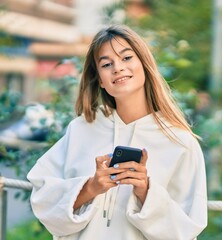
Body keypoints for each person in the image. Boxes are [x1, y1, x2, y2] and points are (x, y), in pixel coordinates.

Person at [27, 25, 208, 240]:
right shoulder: (81, 129)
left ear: (144, 64)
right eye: (106, 64)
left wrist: (145, 192)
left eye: (127, 58)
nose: (117, 68)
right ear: (101, 81)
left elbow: (187, 229)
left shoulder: (180, 142)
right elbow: (42, 196)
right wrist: (90, 188)